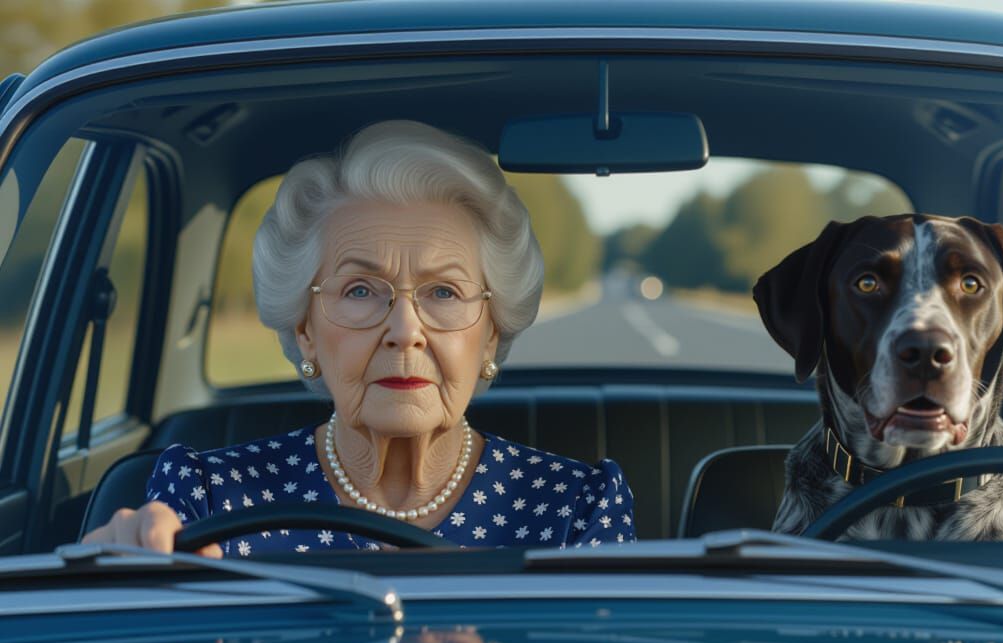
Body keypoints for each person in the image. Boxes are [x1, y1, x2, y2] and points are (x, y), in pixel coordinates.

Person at [83, 120, 636, 556]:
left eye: (444, 292)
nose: (404, 332)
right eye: (360, 291)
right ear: (304, 330)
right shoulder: (207, 498)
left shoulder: (575, 509)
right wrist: (118, 572)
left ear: (490, 336)